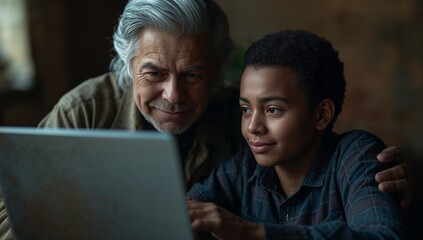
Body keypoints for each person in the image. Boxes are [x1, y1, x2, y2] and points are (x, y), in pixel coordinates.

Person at [0, 0, 412, 239]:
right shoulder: (83, 111)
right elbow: (12, 215)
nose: (174, 95)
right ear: (128, 67)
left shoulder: (244, 130)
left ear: (216, 73)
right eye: (154, 74)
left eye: (193, 74)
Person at [186, 29, 406, 239]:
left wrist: (252, 233)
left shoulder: (356, 155)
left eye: (272, 110)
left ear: (321, 115)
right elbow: (183, 210)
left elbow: (383, 235)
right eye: (246, 109)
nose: (253, 126)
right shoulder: (244, 168)